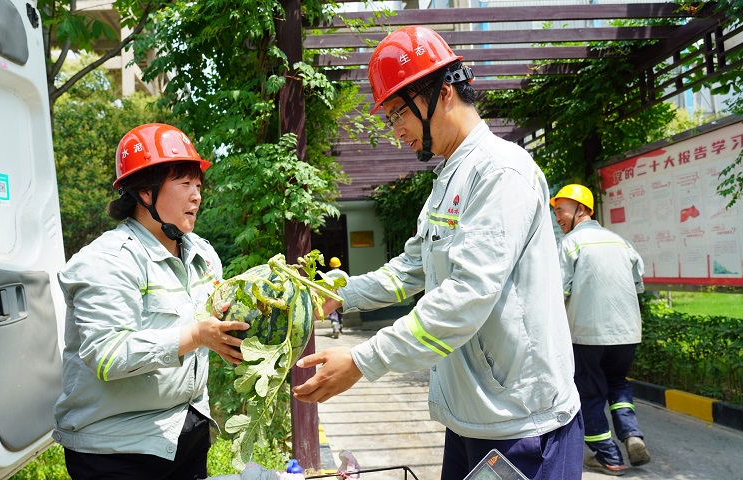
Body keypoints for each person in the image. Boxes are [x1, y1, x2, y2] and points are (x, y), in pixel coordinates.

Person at [292, 26, 583, 480]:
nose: (396, 132)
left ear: (442, 93)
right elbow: (410, 269)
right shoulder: (449, 180)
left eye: (396, 115)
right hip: (469, 416)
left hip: (520, 423)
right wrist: (339, 294)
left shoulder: (500, 171)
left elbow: (467, 295)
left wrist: (362, 361)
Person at [53, 123, 250, 480]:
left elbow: (210, 323)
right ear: (145, 191)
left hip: (185, 430)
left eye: (199, 186)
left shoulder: (202, 255)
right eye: (184, 184)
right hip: (118, 448)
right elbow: (108, 353)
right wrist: (197, 336)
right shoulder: (107, 261)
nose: (197, 196)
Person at [551, 184, 651, 476]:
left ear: (581, 210)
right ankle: (631, 435)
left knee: (590, 393)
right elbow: (637, 284)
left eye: (561, 210)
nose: (557, 217)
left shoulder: (571, 244)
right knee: (618, 383)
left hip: (587, 335)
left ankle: (609, 457)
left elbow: (559, 291)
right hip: (627, 334)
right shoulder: (621, 243)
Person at [326, 256, 350, 338]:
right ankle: (340, 328)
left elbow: (324, 286)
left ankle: (336, 328)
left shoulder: (327, 274)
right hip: (341, 296)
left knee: (333, 312)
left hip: (331, 296)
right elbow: (348, 284)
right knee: (340, 312)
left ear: (330, 265)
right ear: (339, 264)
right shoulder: (343, 274)